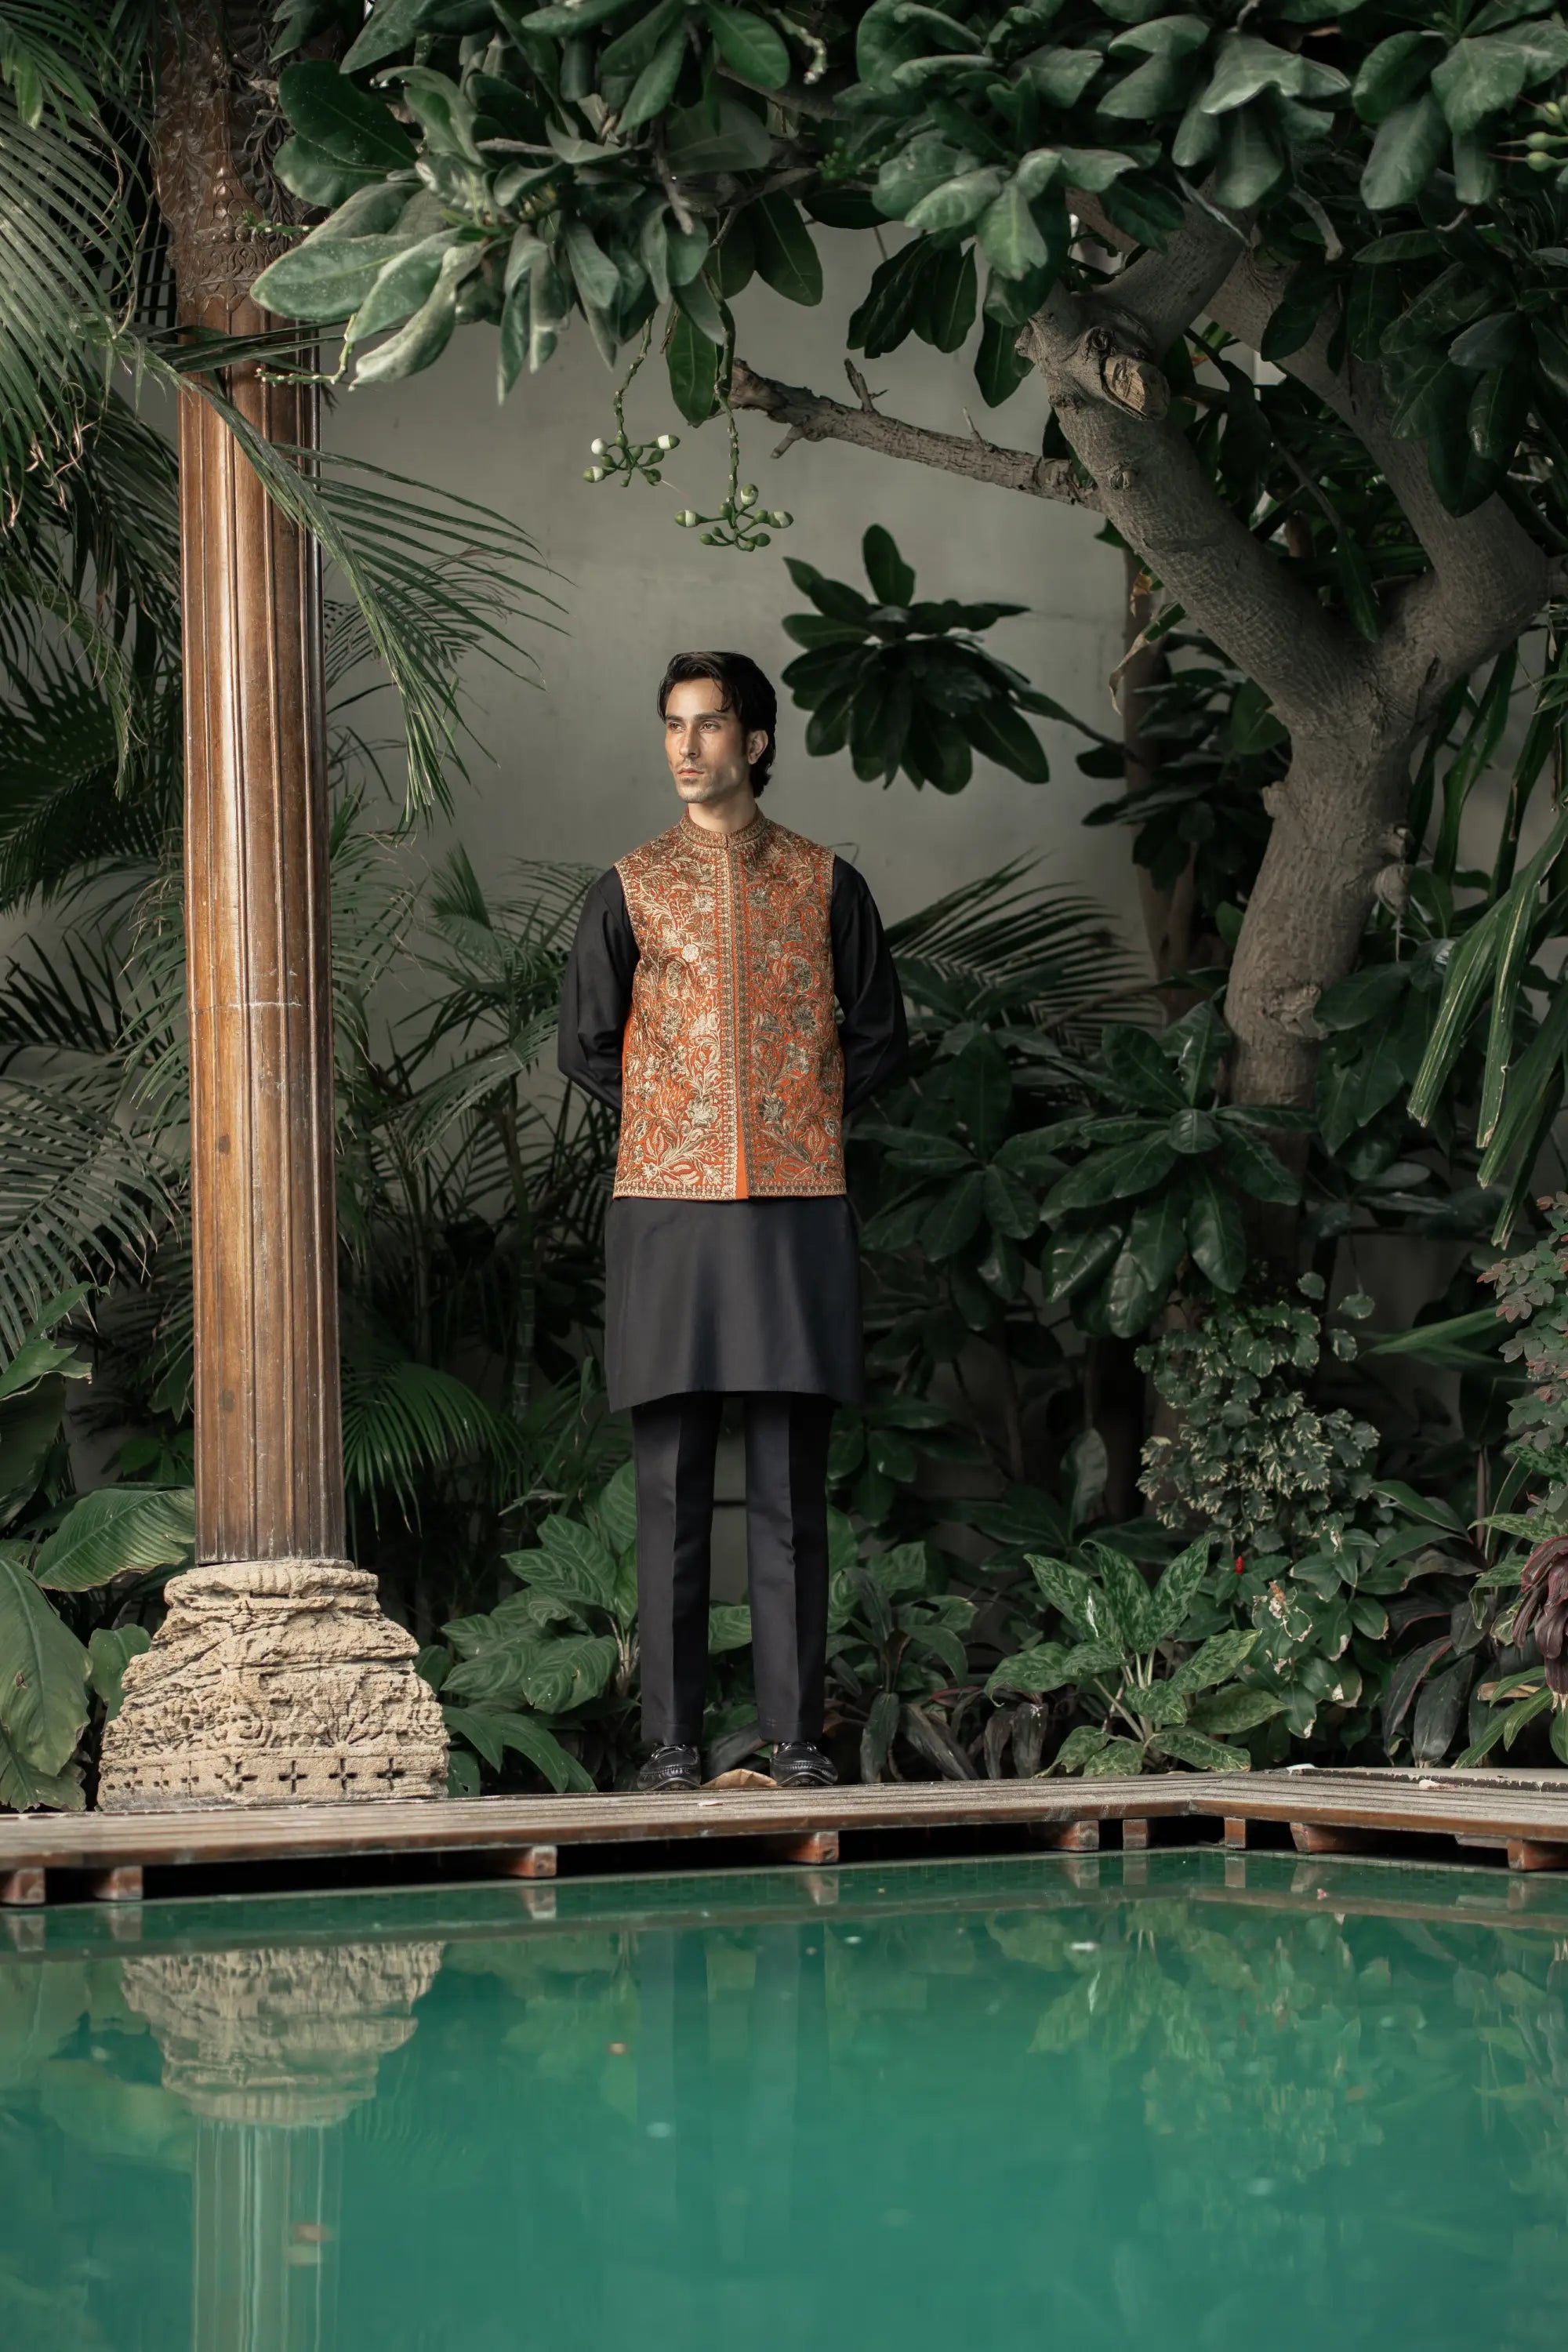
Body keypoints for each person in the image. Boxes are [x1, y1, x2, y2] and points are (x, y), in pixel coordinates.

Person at [557, 651, 909, 1792]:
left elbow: (880, 1031)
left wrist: (789, 1111)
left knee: (791, 1489)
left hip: (795, 1213)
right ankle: (668, 1747)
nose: (686, 747)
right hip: (665, 1215)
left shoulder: (822, 882)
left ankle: (797, 1740)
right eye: (672, 725)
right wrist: (687, 1120)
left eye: (710, 726)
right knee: (669, 1490)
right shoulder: (630, 884)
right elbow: (585, 1043)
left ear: (756, 742)